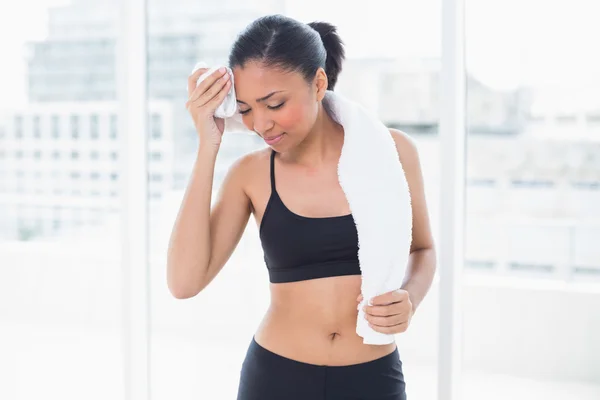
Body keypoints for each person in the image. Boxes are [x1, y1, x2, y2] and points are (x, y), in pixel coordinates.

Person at [167, 14, 436, 400]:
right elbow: (183, 282)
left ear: (319, 83)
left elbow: (423, 249)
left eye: (274, 103)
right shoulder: (251, 175)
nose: (261, 124)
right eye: (244, 109)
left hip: (372, 378)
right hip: (276, 378)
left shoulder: (392, 153)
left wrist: (410, 298)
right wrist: (208, 145)